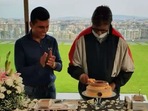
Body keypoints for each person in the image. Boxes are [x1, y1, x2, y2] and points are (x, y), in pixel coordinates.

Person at [67, 5, 134, 100]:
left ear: (109, 24)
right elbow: (72, 67)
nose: (99, 33)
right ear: (92, 23)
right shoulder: (81, 39)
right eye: (96, 29)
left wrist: (114, 85)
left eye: (103, 30)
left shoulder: (120, 41)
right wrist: (81, 75)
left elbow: (128, 70)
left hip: (111, 93)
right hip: (87, 93)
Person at [14, 6, 62, 99]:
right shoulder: (21, 43)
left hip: (50, 90)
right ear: (31, 25)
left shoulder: (52, 41)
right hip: (30, 92)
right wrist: (39, 65)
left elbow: (60, 66)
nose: (45, 30)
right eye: (41, 27)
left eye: (47, 26)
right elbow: (20, 72)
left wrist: (54, 64)